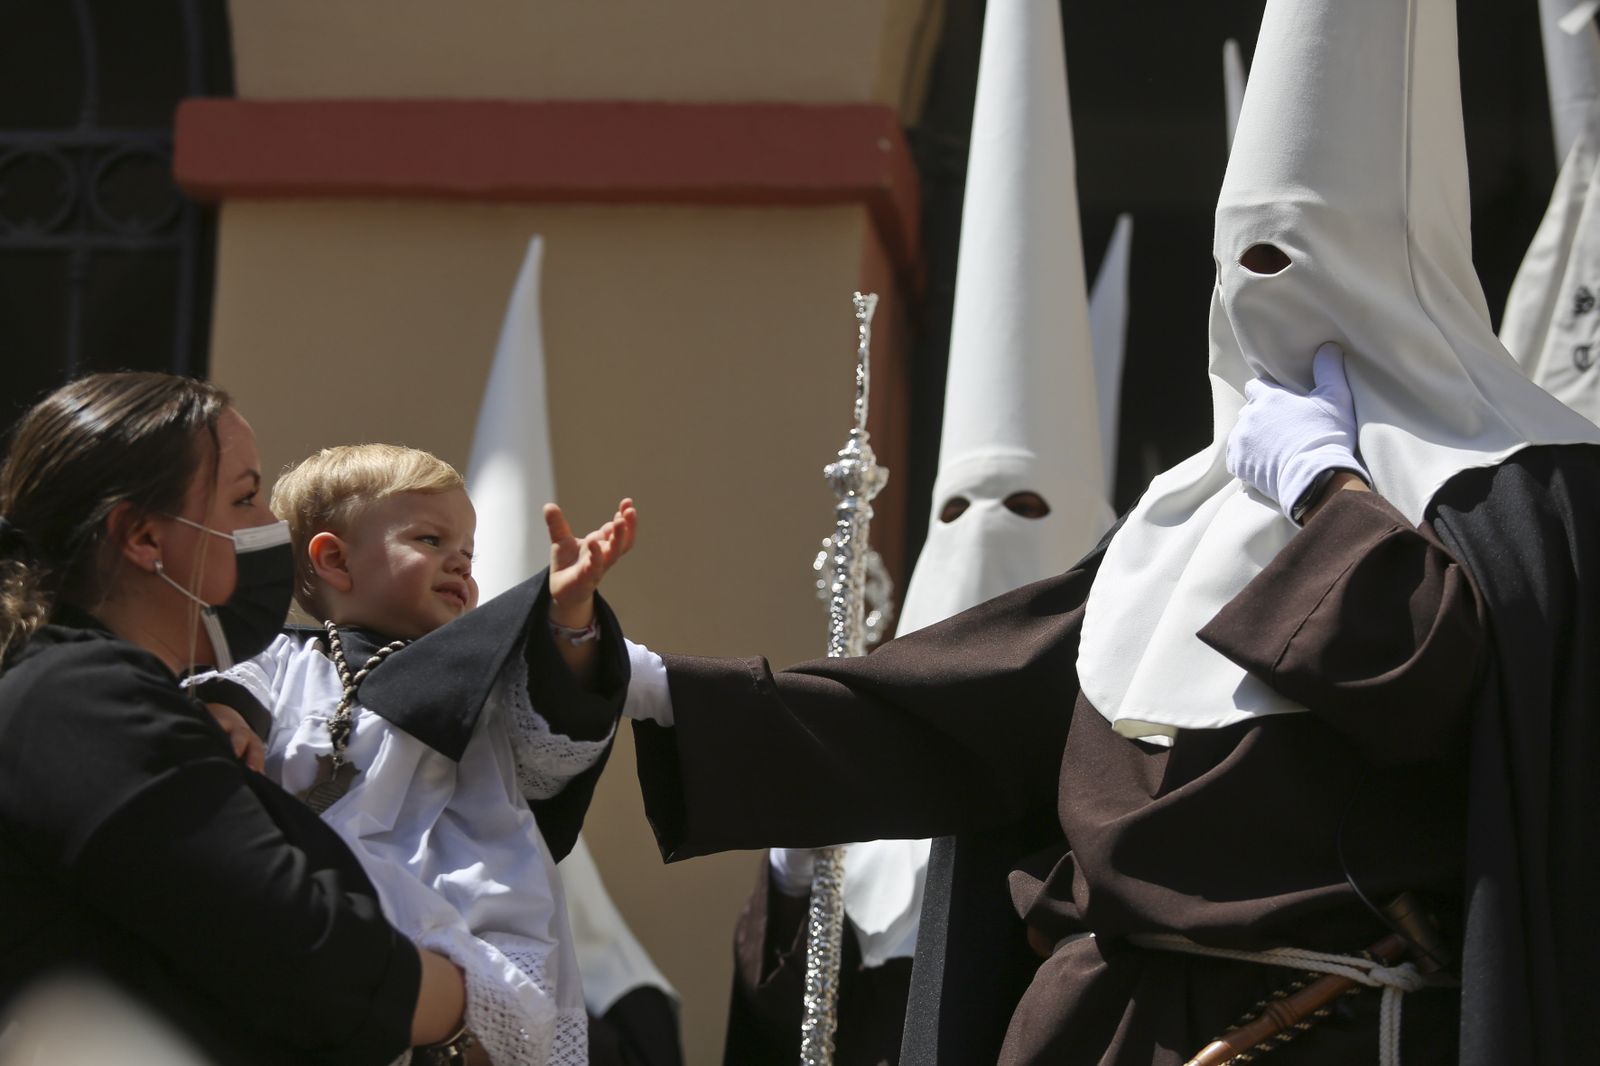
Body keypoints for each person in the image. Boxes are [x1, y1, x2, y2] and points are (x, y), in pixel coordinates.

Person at [599, 0, 1600, 1063]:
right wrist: (647, 682)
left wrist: (1330, 493)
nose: (1273, 303)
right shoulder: (1171, 526)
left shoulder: (1527, 501)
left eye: (1304, 259)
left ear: (1405, 265)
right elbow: (962, 708)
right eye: (1248, 265)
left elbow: (1424, 678)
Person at [0, 372, 469, 1065]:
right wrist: (473, 999)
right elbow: (308, 957)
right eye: (244, 498)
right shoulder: (83, 700)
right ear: (142, 537)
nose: (273, 526)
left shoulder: (96, 693)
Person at [193, 443, 636, 1065]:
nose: (460, 563)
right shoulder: (284, 658)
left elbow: (555, 744)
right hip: (331, 908)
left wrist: (569, 619)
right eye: (431, 540)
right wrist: (224, 717)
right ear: (335, 560)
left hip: (473, 921)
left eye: (469, 552)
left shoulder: (484, 681)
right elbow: (229, 695)